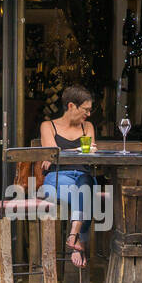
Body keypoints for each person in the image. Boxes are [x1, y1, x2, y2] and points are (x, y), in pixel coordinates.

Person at [37, 85, 97, 269]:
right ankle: (79, 244)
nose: (88, 114)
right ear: (71, 106)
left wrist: (61, 154)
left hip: (82, 176)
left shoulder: (88, 127)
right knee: (87, 194)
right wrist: (79, 150)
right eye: (85, 110)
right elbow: (51, 152)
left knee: (85, 184)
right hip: (57, 178)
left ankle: (73, 235)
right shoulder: (48, 126)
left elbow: (91, 152)